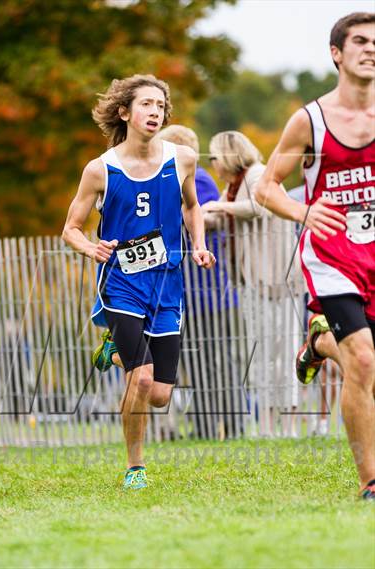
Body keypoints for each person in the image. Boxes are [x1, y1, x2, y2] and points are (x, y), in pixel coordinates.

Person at [62, 74, 215, 489]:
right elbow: (70, 228)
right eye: (147, 104)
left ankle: (113, 350)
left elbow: (193, 206)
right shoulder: (100, 169)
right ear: (125, 112)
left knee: (161, 393)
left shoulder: (183, 158)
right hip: (122, 283)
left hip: (167, 284)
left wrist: (198, 244)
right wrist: (89, 248)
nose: (155, 112)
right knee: (142, 378)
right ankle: (135, 467)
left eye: (161, 106)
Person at [256, 12, 375, 500]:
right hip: (333, 256)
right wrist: (304, 211)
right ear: (336, 54)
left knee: (365, 361)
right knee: (365, 362)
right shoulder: (310, 120)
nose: (371, 50)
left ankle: (318, 345)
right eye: (361, 42)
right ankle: (371, 482)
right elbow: (266, 188)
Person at [203, 132, 301, 438]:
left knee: (283, 352)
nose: (214, 163)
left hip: (277, 279)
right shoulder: (231, 187)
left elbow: (258, 207)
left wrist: (218, 208)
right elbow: (216, 220)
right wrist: (192, 214)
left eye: (215, 156)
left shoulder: (259, 175)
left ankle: (289, 426)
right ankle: (268, 426)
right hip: (251, 281)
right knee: (260, 353)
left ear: (229, 154)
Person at [158, 125, 235, 440]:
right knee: (193, 362)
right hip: (188, 292)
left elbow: (197, 220)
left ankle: (232, 426)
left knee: (216, 362)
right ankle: (203, 427)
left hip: (209, 292)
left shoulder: (198, 180)